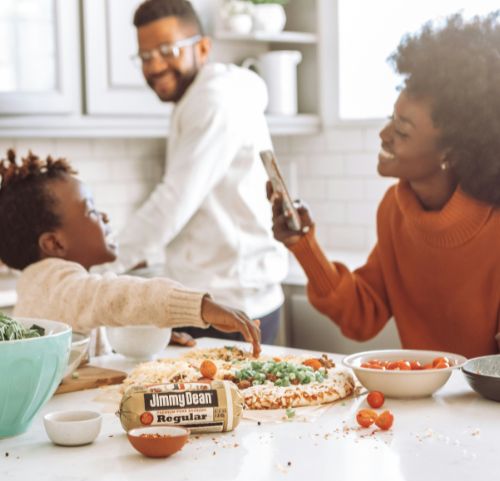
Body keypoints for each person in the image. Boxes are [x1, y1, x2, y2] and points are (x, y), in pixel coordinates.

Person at [269, 13, 500, 359]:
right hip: (427, 401)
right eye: (392, 118)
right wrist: (304, 245)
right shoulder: (395, 209)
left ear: (451, 152)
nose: (384, 135)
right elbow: (363, 314)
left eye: (403, 130)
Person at [96, 0, 288, 346]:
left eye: (166, 50)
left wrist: (98, 271)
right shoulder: (202, 96)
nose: (154, 65)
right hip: (222, 295)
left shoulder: (213, 100)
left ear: (203, 47)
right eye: (145, 56)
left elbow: (173, 202)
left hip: (229, 303)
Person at [0, 150, 261, 357]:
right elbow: (115, 297)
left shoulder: (47, 284)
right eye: (91, 211)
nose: (104, 216)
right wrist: (200, 306)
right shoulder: (55, 284)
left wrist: (143, 337)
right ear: (55, 244)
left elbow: (92, 321)